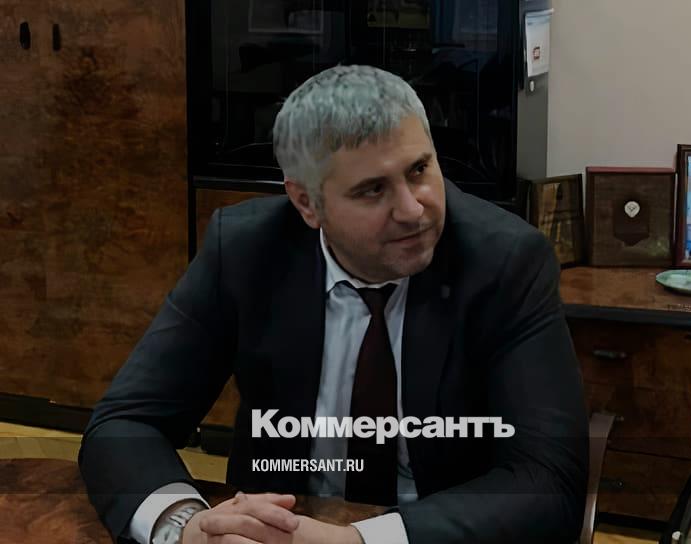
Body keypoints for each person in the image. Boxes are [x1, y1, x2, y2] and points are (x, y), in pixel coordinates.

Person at [78, 65, 588, 544]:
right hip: (281, 527)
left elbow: (547, 480)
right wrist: (185, 527)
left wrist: (359, 540)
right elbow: (125, 423)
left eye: (419, 169)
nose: (413, 208)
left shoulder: (505, 262)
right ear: (307, 202)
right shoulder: (245, 250)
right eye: (372, 190)